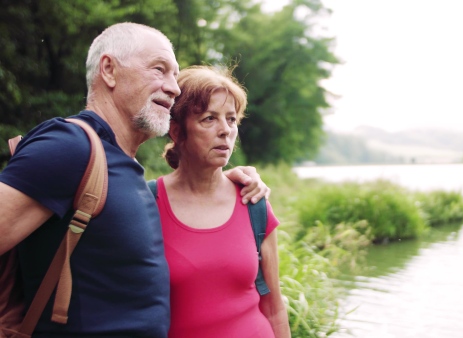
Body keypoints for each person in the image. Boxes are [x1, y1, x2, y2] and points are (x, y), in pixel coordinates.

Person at [0, 22, 269, 337]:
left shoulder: (121, 163)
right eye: (159, 70)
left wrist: (222, 182)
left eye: (174, 74)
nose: (174, 87)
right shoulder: (71, 145)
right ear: (110, 70)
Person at [154, 65, 290, 338]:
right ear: (176, 131)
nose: (225, 130)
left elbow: (274, 308)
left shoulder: (253, 201)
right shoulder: (148, 204)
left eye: (231, 119)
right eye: (209, 119)